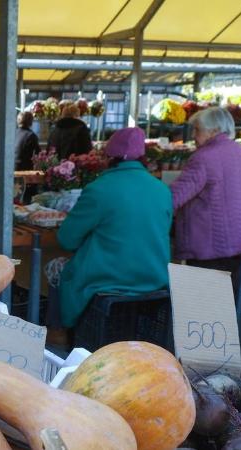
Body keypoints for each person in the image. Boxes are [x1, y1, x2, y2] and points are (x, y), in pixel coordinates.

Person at [46, 127, 172, 341]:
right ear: (142, 157)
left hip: (107, 279)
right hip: (154, 279)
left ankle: (59, 333)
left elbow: (66, 240)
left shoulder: (100, 189)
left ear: (108, 157)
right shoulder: (162, 190)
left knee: (54, 266)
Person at [171, 107, 241, 300]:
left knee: (205, 308)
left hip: (211, 244)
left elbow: (176, 197)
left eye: (197, 129)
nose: (193, 135)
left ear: (213, 130)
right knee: (225, 302)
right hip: (239, 240)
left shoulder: (203, 158)